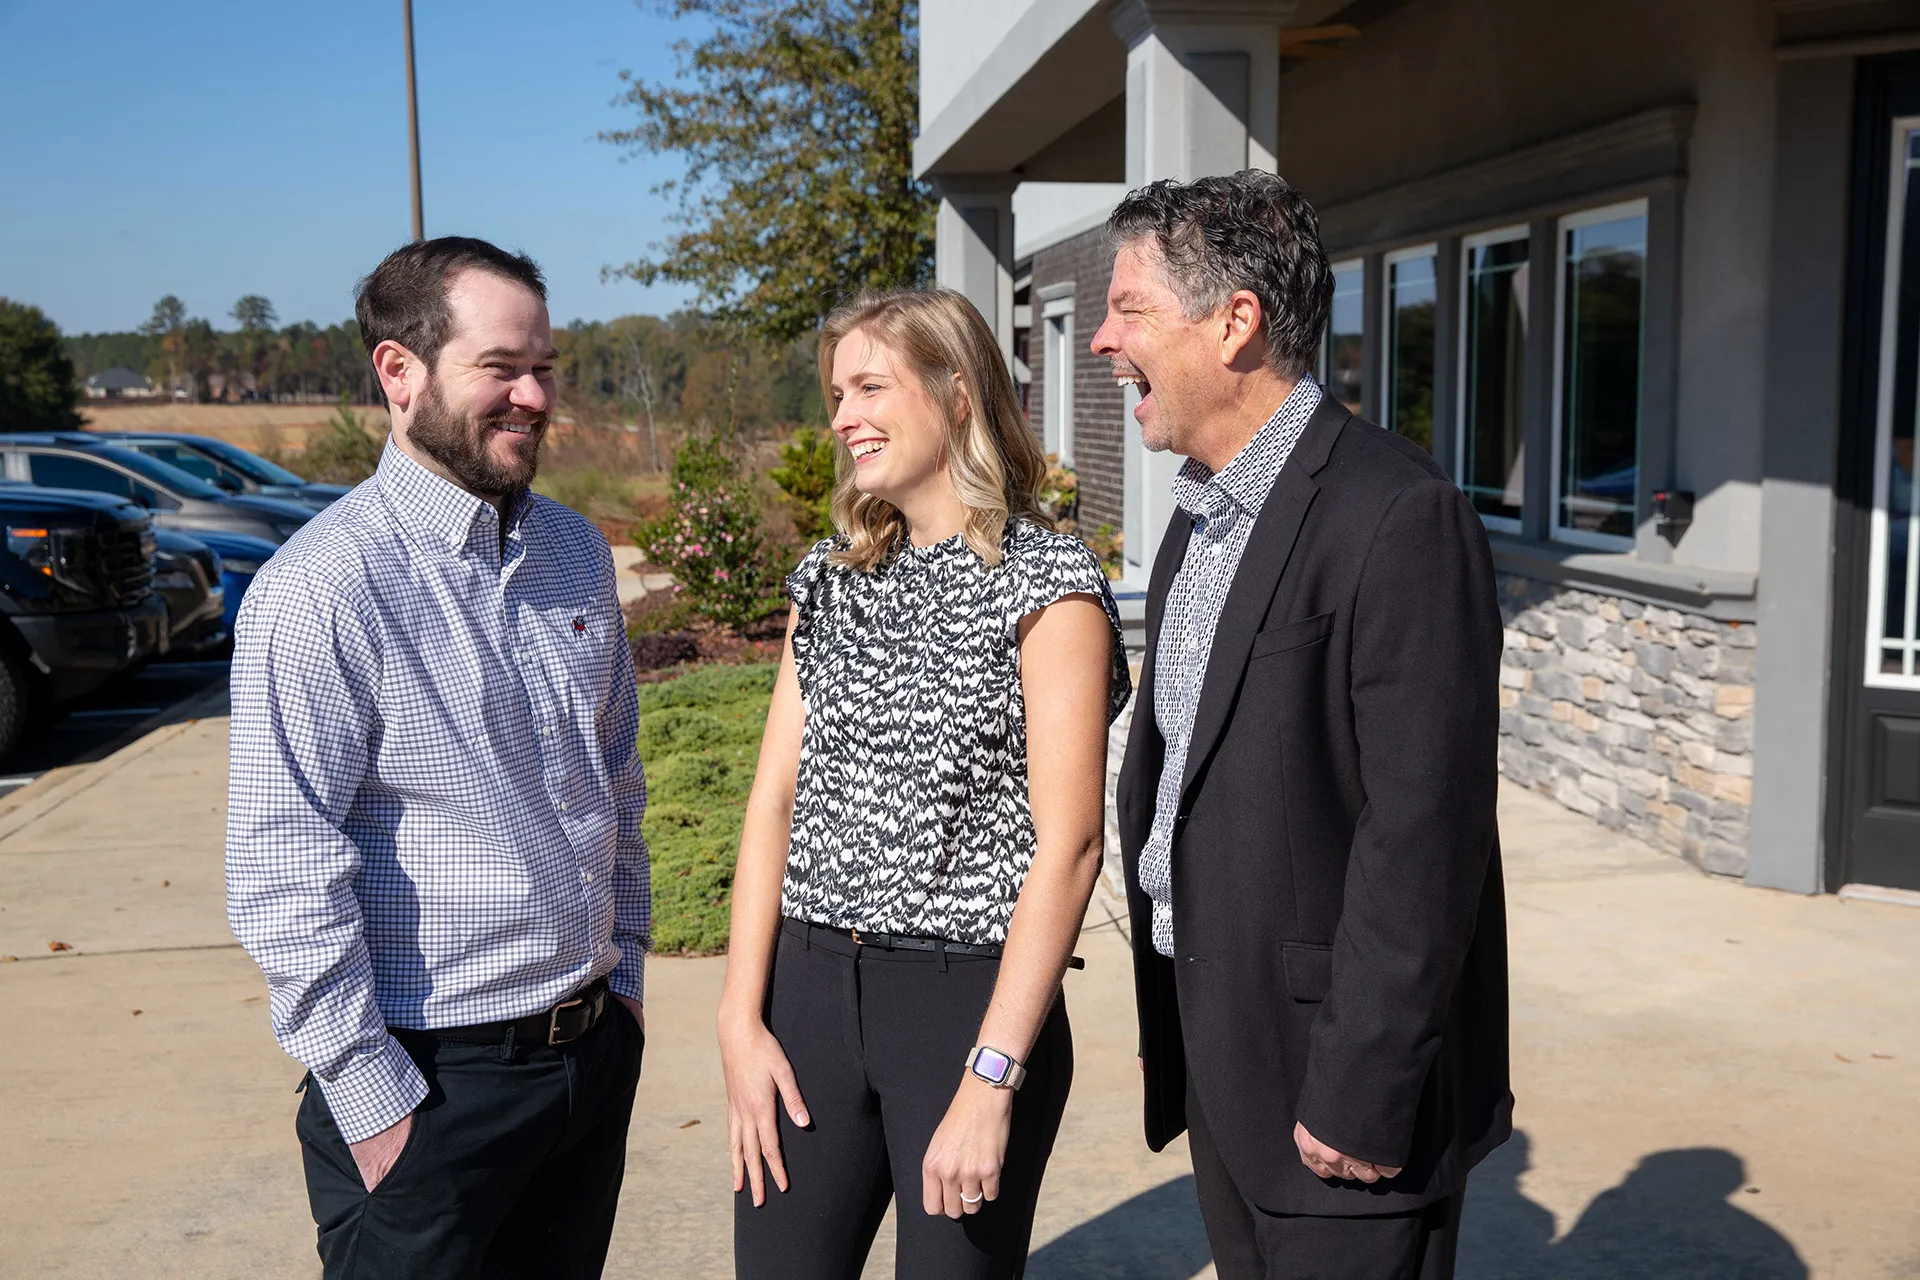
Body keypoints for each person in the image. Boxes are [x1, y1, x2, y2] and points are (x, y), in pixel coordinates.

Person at [1096, 172, 1512, 1280]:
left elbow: (1425, 833)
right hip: (1228, 1073)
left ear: (1235, 323)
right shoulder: (1204, 507)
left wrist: (1364, 1089)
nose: (1100, 339)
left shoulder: (1400, 514)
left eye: (1129, 308)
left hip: (1336, 1105)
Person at [225, 236, 649, 1279]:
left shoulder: (574, 549)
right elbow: (283, 872)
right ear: (399, 372)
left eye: (545, 367)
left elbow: (617, 781)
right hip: (430, 1084)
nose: (534, 396)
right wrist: (377, 1111)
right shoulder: (323, 589)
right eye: (499, 367)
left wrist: (626, 982)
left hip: (586, 1060)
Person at [720, 287, 1131, 1280]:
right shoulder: (829, 576)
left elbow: (1070, 845)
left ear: (956, 394)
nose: (841, 415)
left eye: (869, 385)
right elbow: (774, 800)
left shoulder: (1049, 582)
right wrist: (740, 1018)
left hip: (966, 1008)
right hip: (808, 996)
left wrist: (992, 1078)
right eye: (835, 392)